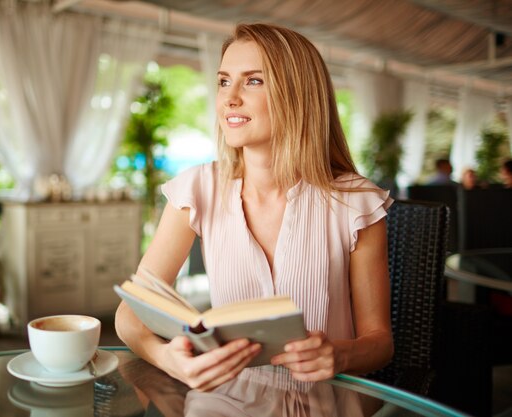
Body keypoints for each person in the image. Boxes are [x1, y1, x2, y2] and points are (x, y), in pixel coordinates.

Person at [115, 22, 394, 392]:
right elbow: (129, 312)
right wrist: (168, 358)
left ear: (297, 95)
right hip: (225, 400)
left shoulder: (357, 203)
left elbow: (380, 343)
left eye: (253, 81)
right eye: (223, 81)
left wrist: (341, 355)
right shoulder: (197, 189)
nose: (229, 97)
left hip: (324, 403)